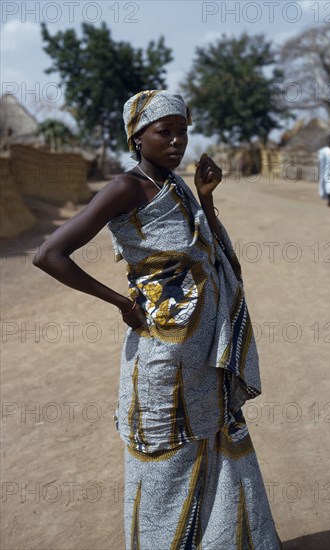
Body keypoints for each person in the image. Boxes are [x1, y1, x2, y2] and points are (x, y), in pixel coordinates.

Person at [33, 90, 281, 549]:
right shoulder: (126, 188)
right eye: (164, 132)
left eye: (182, 132)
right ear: (137, 137)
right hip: (163, 359)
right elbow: (49, 254)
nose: (177, 142)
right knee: (166, 461)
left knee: (213, 447)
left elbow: (215, 257)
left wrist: (206, 200)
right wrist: (121, 303)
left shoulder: (179, 186)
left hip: (204, 356)